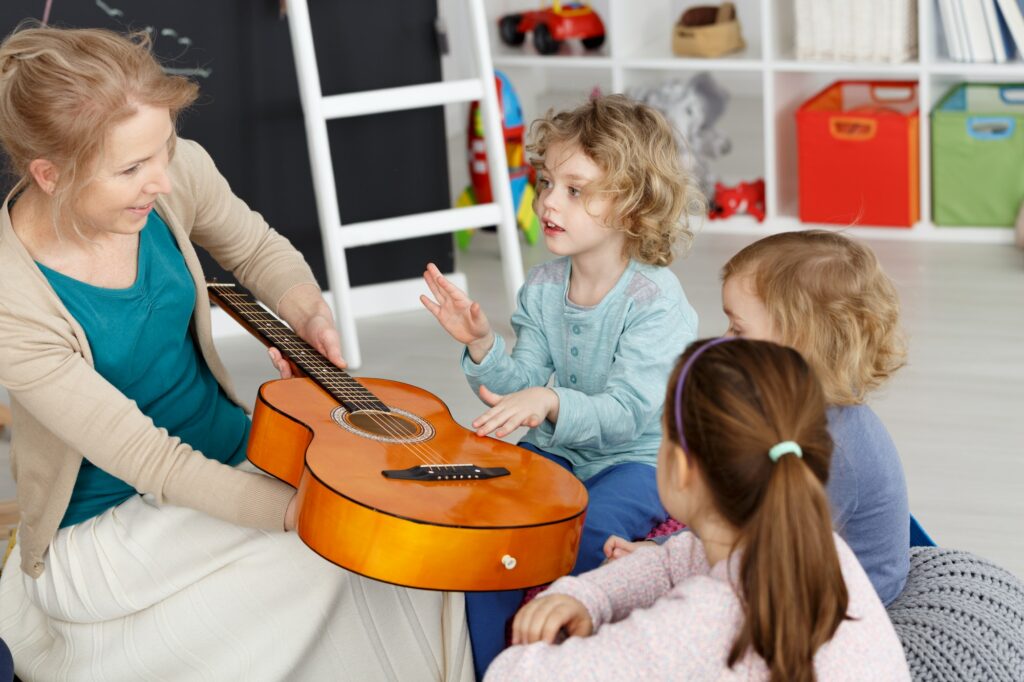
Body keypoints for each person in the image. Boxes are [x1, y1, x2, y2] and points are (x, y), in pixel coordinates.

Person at [0, 25, 471, 681]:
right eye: (132, 168)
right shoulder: (11, 297)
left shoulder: (168, 173)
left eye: (164, 147)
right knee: (338, 551)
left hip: (239, 453)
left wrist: (305, 307)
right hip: (105, 529)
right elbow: (149, 458)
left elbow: (254, 247)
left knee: (403, 527)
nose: (161, 180)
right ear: (49, 175)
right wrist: (299, 512)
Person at [420, 94, 702, 677]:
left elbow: (626, 413)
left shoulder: (656, 302)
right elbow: (519, 384)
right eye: (547, 182)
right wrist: (479, 344)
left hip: (639, 463)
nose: (548, 200)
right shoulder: (545, 286)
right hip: (559, 454)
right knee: (490, 527)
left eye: (575, 190)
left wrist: (548, 401)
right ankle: (497, 667)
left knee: (579, 535)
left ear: (632, 206)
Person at [486, 337, 911, 681]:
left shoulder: (698, 622)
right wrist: (589, 594)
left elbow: (511, 675)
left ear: (682, 469)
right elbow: (675, 561)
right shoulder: (819, 548)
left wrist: (538, 640)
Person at [607, 230, 910, 606]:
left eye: (738, 329)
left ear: (798, 344)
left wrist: (663, 568)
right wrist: (661, 552)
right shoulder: (786, 407)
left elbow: (756, 550)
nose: (724, 339)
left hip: (842, 600)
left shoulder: (831, 450)